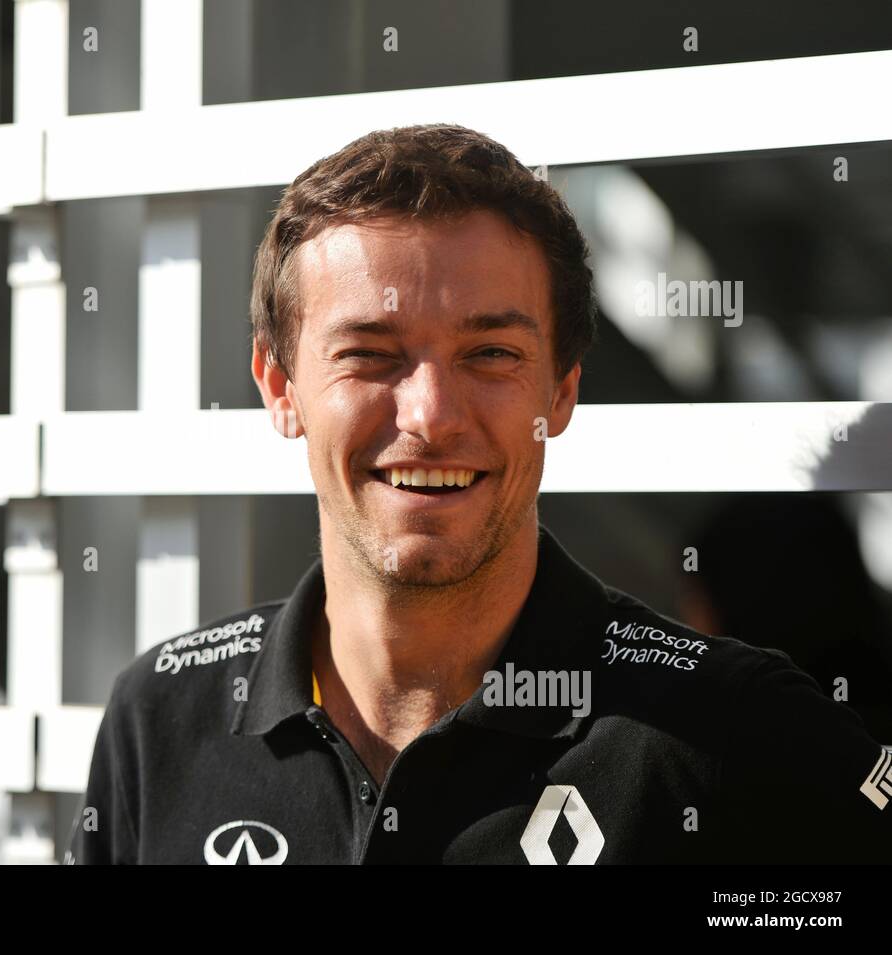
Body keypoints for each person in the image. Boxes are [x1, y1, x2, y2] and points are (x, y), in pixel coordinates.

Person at [65, 124, 890, 864]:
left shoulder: (729, 728)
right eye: (370, 353)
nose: (430, 416)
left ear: (561, 392)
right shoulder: (163, 717)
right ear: (280, 386)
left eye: (490, 353)